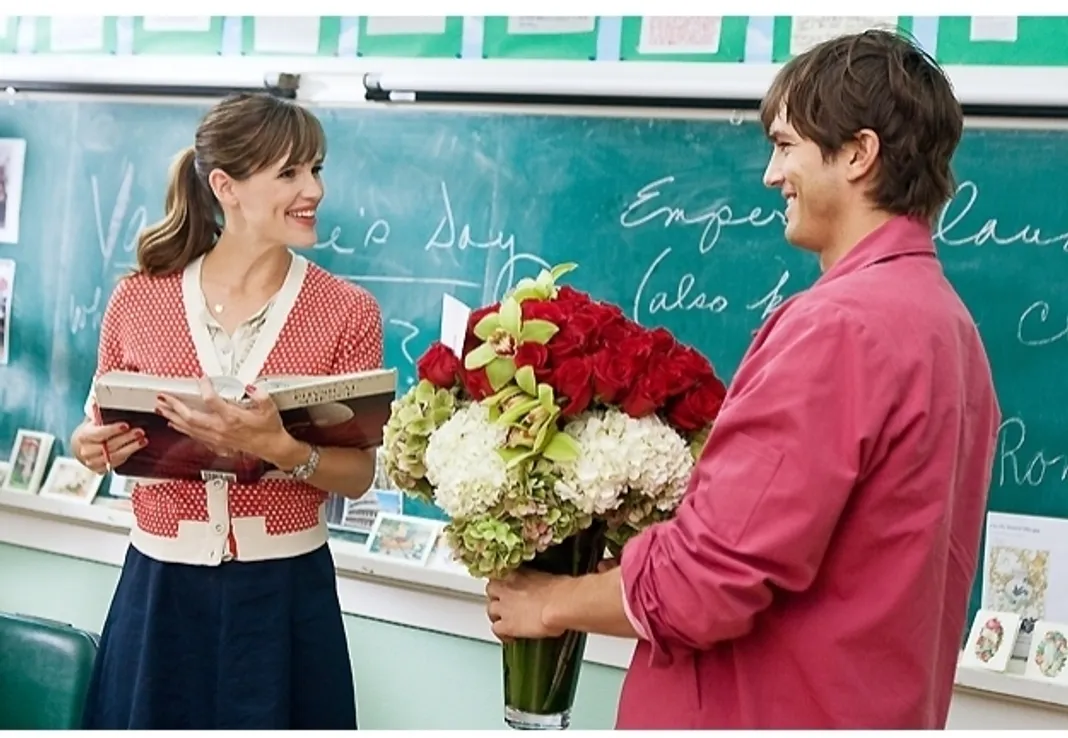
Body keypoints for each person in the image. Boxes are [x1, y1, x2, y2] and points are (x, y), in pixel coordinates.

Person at [485, 29, 1001, 730]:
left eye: (786, 145)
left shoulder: (839, 328)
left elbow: (706, 583)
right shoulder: (952, 327)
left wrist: (547, 601)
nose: (770, 174)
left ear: (857, 153)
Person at [70, 92, 383, 729]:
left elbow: (358, 474)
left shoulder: (349, 312)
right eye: (290, 172)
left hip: (286, 594)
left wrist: (282, 449)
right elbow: (91, 426)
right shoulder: (138, 298)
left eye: (316, 169)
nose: (313, 190)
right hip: (158, 591)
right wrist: (90, 446)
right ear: (226, 186)